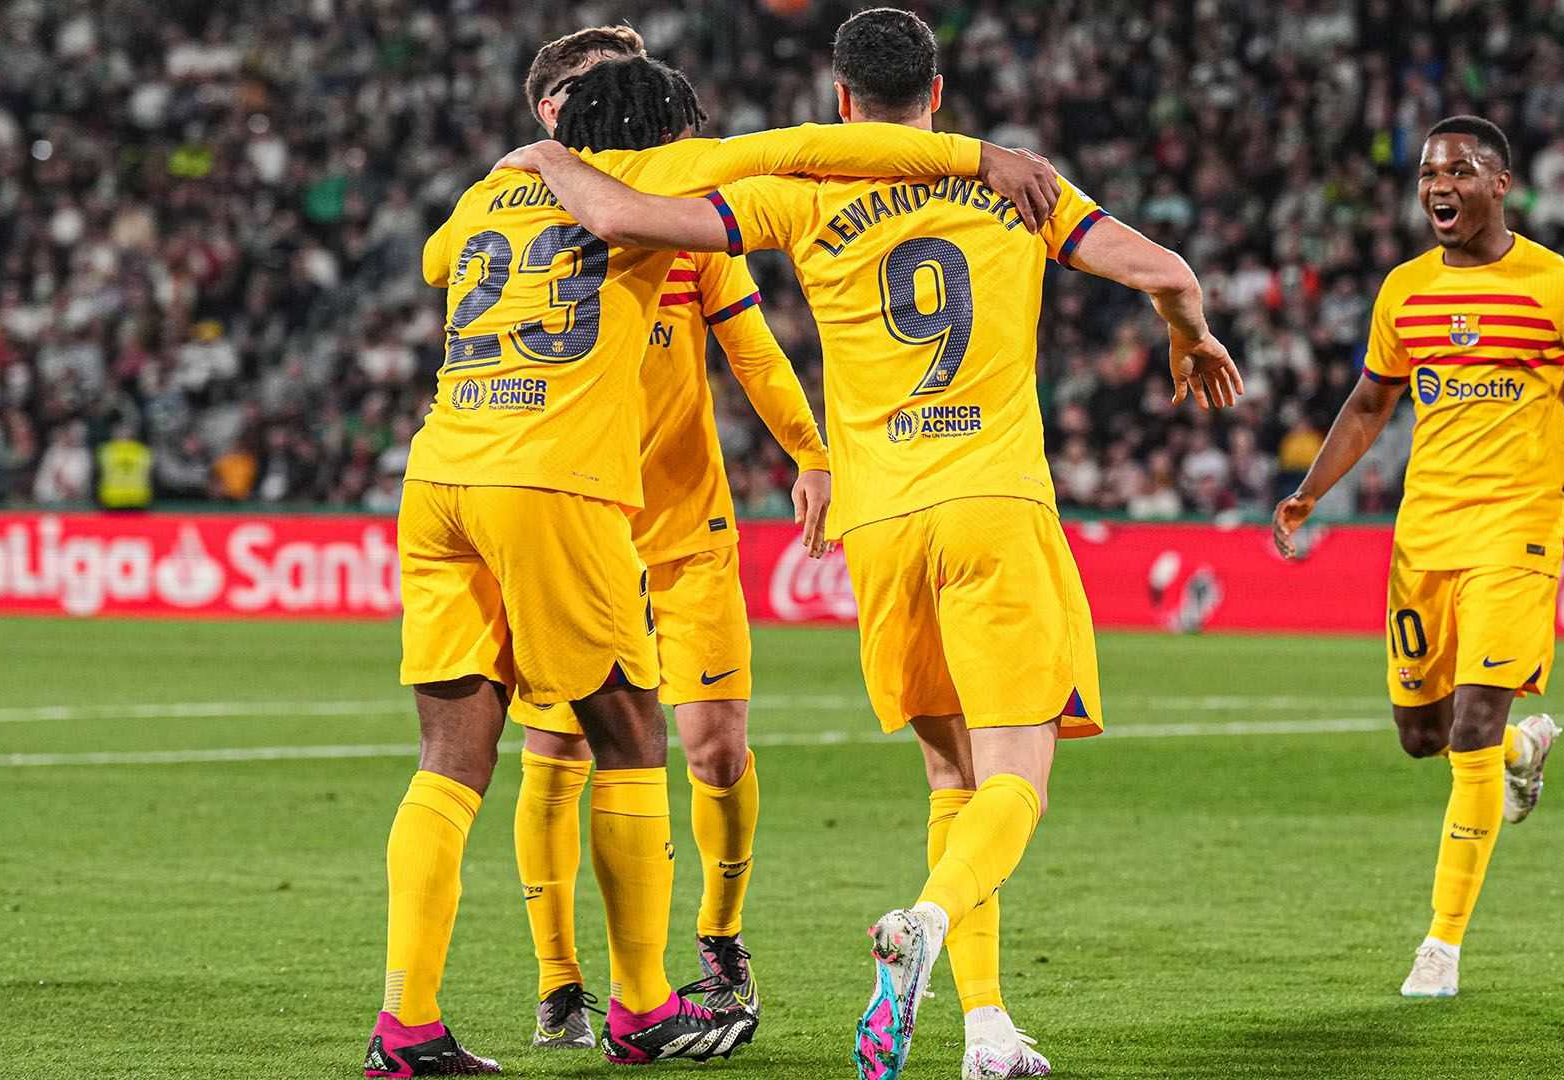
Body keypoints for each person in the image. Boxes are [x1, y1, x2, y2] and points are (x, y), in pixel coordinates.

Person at [495, 10, 1242, 1078]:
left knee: (950, 776)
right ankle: (926, 920)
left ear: (842, 101)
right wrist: (1189, 333)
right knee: (1015, 781)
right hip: (994, 507)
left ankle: (986, 1027)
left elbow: (625, 209)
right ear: (935, 95)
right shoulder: (1024, 188)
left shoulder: (799, 197)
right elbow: (1166, 270)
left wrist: (544, 157)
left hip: (883, 528)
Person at [366, 52, 1061, 1077]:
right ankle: (641, 1004)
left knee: (449, 760)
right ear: (660, 133)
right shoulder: (652, 178)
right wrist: (977, 157)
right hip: (551, 484)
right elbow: (816, 145)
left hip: (438, 481)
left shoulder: (488, 195)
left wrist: (535, 164)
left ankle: (407, 1025)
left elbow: (435, 262)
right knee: (629, 735)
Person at [503, 28, 834, 1053]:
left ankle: (720, 939)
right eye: (583, 89)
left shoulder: (682, 224)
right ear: (550, 110)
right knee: (558, 747)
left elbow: (754, 349)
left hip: (685, 526)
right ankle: (560, 982)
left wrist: (812, 452)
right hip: (577, 522)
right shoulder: (514, 224)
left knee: (716, 748)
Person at [1272, 115, 1564, 999]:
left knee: (1470, 728)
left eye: (1461, 171)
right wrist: (1311, 490)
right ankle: (1522, 750)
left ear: (1501, 184)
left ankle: (1440, 945)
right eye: (1429, 174)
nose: (1440, 186)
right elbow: (1370, 403)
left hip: (1517, 531)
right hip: (1424, 535)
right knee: (1423, 736)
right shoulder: (1404, 291)